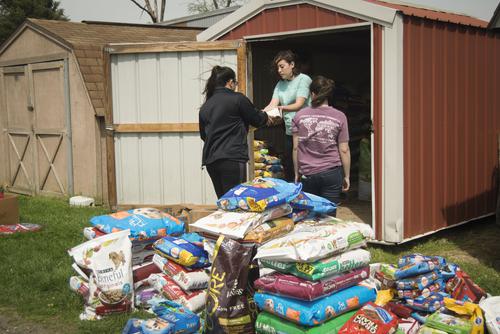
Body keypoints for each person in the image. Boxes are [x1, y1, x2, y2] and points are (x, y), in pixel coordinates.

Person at [199, 65, 274, 198]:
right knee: (235, 200)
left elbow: (204, 135)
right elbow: (256, 119)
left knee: (224, 200)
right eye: (235, 83)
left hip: (211, 160)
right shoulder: (237, 99)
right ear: (230, 82)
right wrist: (267, 116)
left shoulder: (206, 106)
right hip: (232, 157)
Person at [292, 76, 350, 214]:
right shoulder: (340, 116)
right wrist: (346, 176)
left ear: (312, 94)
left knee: (309, 215)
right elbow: (344, 149)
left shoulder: (299, 115)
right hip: (331, 172)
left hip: (307, 173)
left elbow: (295, 147)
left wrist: (296, 172)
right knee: (329, 216)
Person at [264, 50, 312, 182]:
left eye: (282, 66)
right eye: (277, 67)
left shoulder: (304, 79)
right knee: (288, 162)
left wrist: (281, 108)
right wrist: (259, 113)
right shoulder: (280, 84)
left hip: (306, 131)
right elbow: (272, 104)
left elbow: (299, 103)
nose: (279, 70)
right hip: (290, 130)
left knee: (305, 164)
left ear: (292, 65)